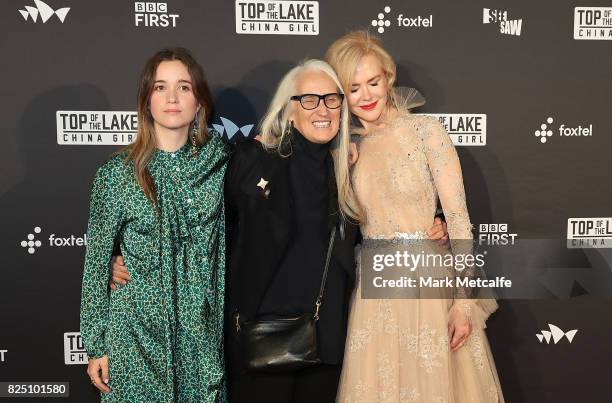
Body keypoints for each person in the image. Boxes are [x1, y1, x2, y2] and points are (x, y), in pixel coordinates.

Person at [111, 58, 449, 402]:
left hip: (326, 344)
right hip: (260, 343)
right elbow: (200, 225)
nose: (322, 109)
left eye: (332, 99)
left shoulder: (349, 171)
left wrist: (436, 224)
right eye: (309, 99)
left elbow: (389, 220)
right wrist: (125, 257)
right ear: (288, 110)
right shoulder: (251, 160)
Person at [326, 31, 504, 402]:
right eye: (353, 88)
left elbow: (456, 218)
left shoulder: (426, 132)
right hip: (374, 293)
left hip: (430, 287)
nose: (366, 95)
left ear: (388, 78)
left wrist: (463, 301)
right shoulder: (344, 148)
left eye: (373, 82)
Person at [80, 47, 229, 402]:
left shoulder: (222, 164)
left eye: (184, 87)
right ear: (147, 101)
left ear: (199, 102)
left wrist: (341, 151)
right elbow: (97, 263)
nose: (172, 97)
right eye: (161, 87)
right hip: (134, 336)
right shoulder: (117, 174)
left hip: (200, 336)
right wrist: (95, 345)